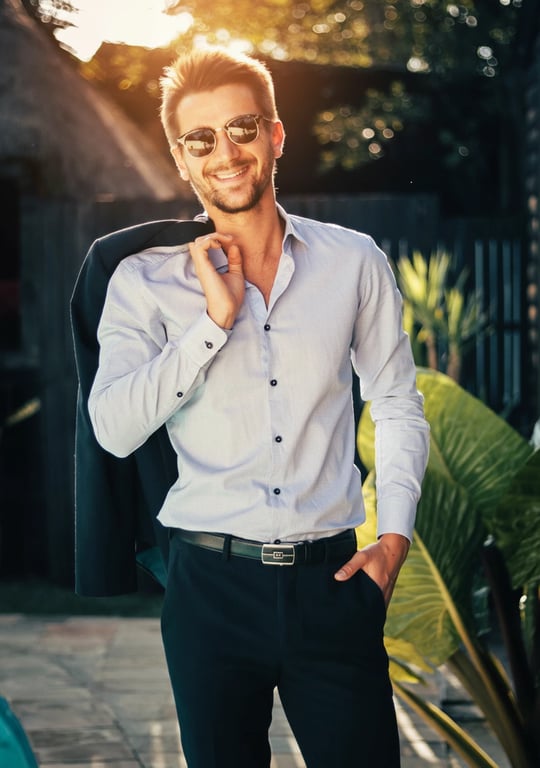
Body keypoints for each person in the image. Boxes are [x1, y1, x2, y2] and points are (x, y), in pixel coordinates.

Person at [87, 47, 430, 768]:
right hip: (210, 587)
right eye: (200, 139)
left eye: (242, 128)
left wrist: (393, 538)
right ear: (181, 159)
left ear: (275, 136)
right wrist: (212, 324)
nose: (225, 153)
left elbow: (397, 400)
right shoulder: (142, 283)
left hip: (333, 587)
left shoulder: (354, 261)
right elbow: (113, 431)